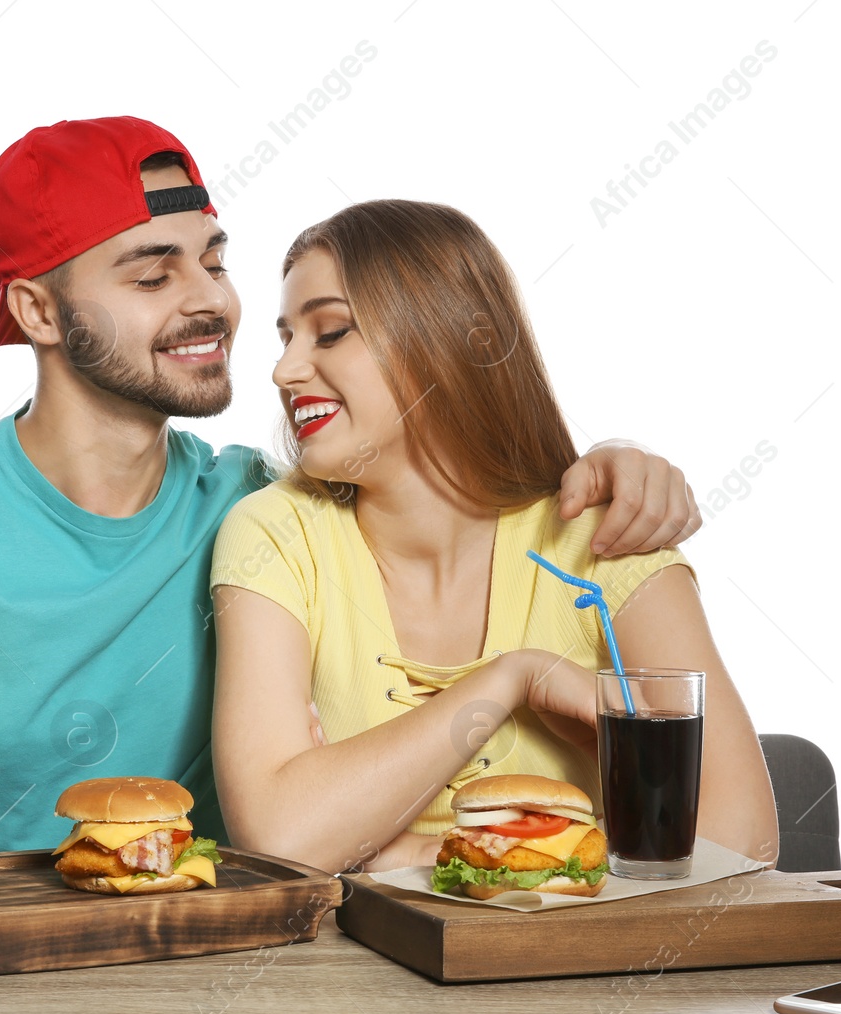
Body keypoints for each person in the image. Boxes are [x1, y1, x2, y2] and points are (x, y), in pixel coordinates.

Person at [0, 118, 701, 887]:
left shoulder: (266, 513)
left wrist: (604, 463)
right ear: (37, 307)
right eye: (151, 273)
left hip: (195, 996)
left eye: (212, 261)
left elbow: (451, 489)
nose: (211, 302)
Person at [209, 199, 778, 876]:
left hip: (579, 974)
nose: (283, 371)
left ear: (442, 341)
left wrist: (387, 852)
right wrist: (514, 677)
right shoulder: (275, 533)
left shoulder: (608, 539)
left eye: (329, 332)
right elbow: (281, 838)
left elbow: (742, 845)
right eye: (285, 338)